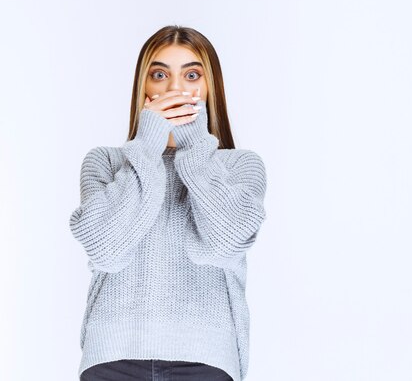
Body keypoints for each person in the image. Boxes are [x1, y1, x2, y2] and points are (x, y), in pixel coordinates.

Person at [69, 25, 267, 381]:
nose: (175, 89)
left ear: (210, 88)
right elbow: (107, 252)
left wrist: (194, 143)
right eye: (159, 75)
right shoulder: (106, 162)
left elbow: (223, 245)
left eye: (191, 75)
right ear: (143, 89)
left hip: (205, 361)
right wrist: (147, 146)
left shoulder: (239, 165)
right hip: (112, 358)